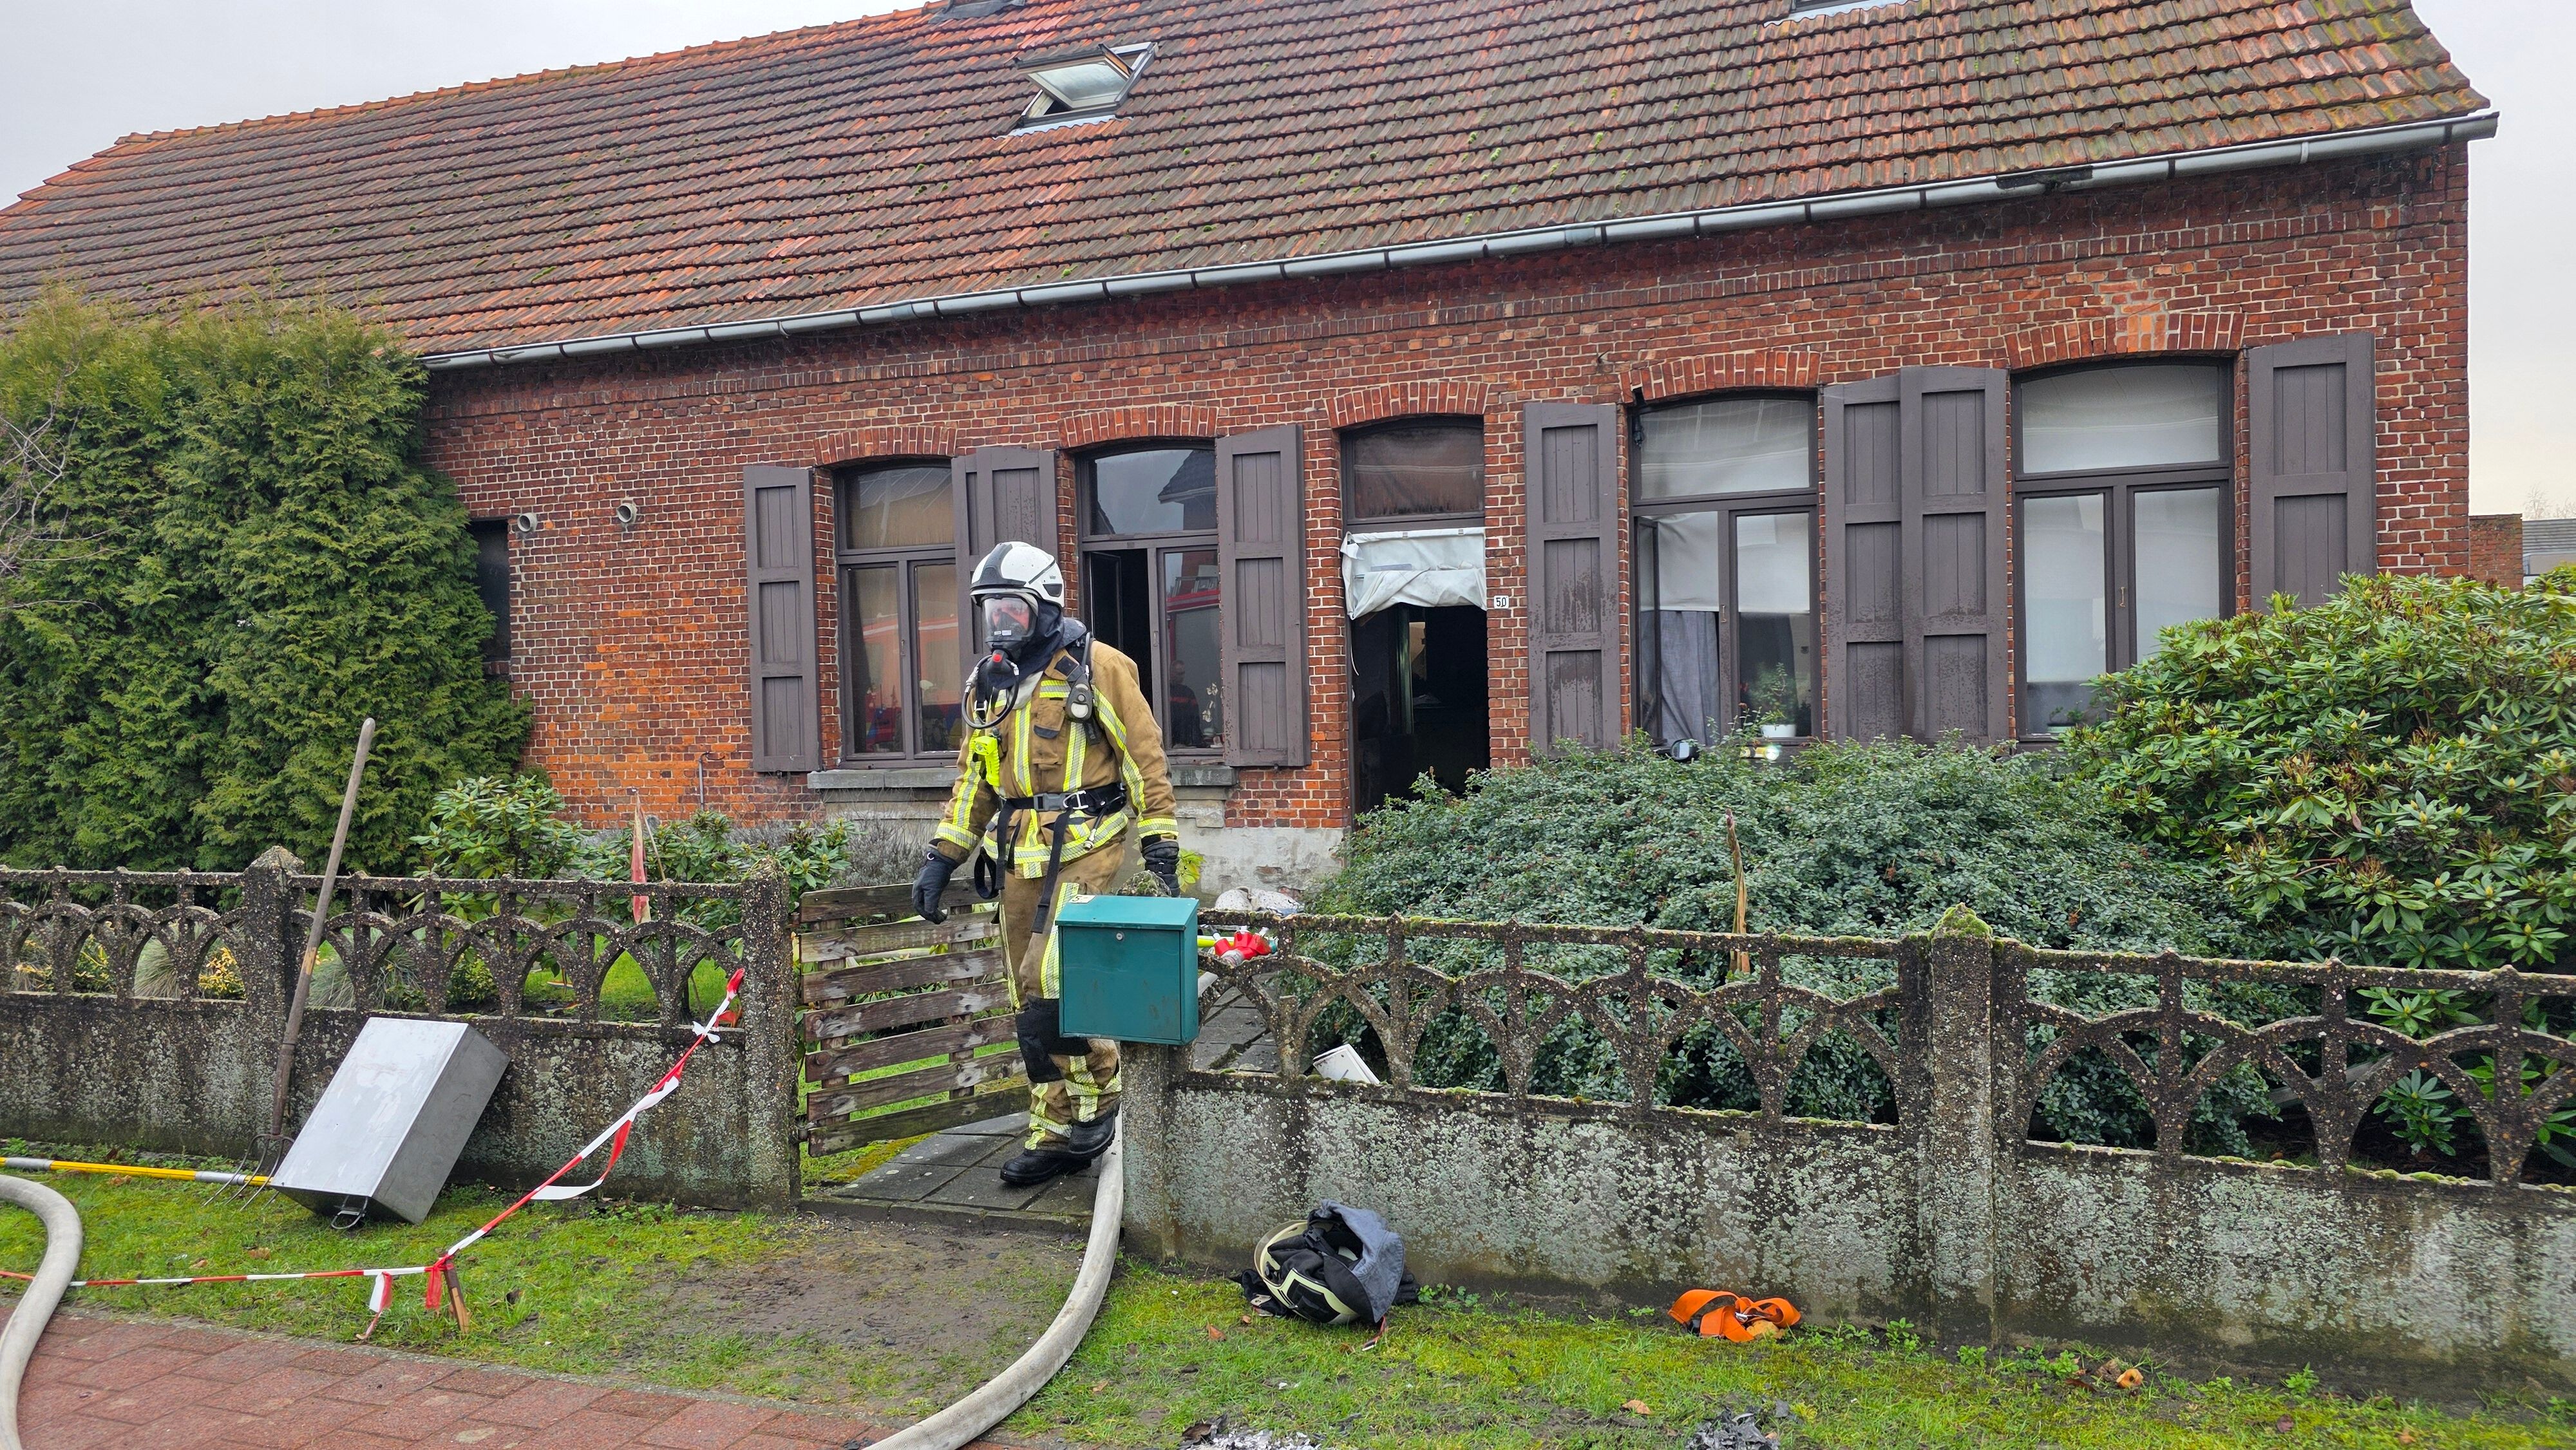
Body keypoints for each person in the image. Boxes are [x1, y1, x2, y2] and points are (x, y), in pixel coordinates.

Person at [911, 541, 1182, 1186]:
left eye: (1013, 607)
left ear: (1047, 605)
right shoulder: (988, 683)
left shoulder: (1100, 667)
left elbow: (1145, 757)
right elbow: (975, 779)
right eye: (991, 609)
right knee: (1023, 993)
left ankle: (1101, 1097)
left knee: (1053, 974)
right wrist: (942, 857)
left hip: (1086, 842)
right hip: (1017, 852)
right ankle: (1054, 1129)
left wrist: (1161, 845)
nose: (1001, 621)